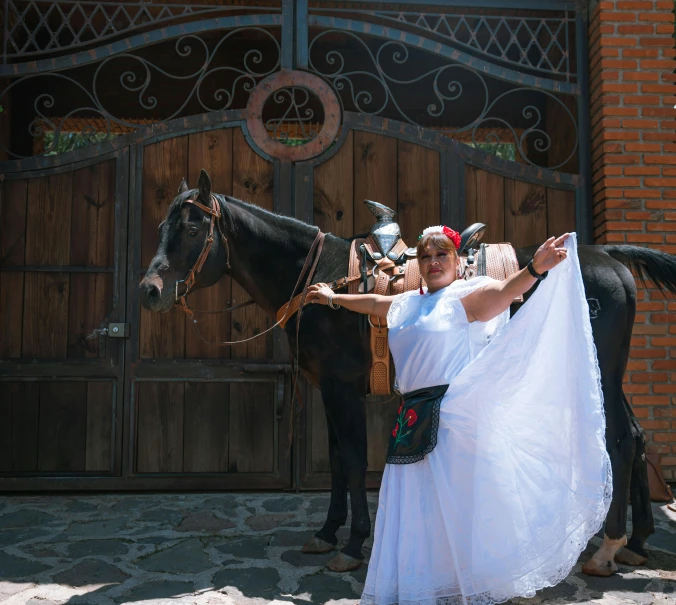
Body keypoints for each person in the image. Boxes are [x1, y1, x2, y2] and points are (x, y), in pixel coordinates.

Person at [306, 226, 611, 605]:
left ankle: (464, 587)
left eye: (441, 255)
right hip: (412, 423)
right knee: (418, 511)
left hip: (455, 423)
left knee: (459, 510)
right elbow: (370, 303)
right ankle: (426, 587)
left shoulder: (467, 298)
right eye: (426, 256)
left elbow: (505, 294)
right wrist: (334, 297)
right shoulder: (407, 303)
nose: (433, 262)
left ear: (457, 261)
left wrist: (534, 268)